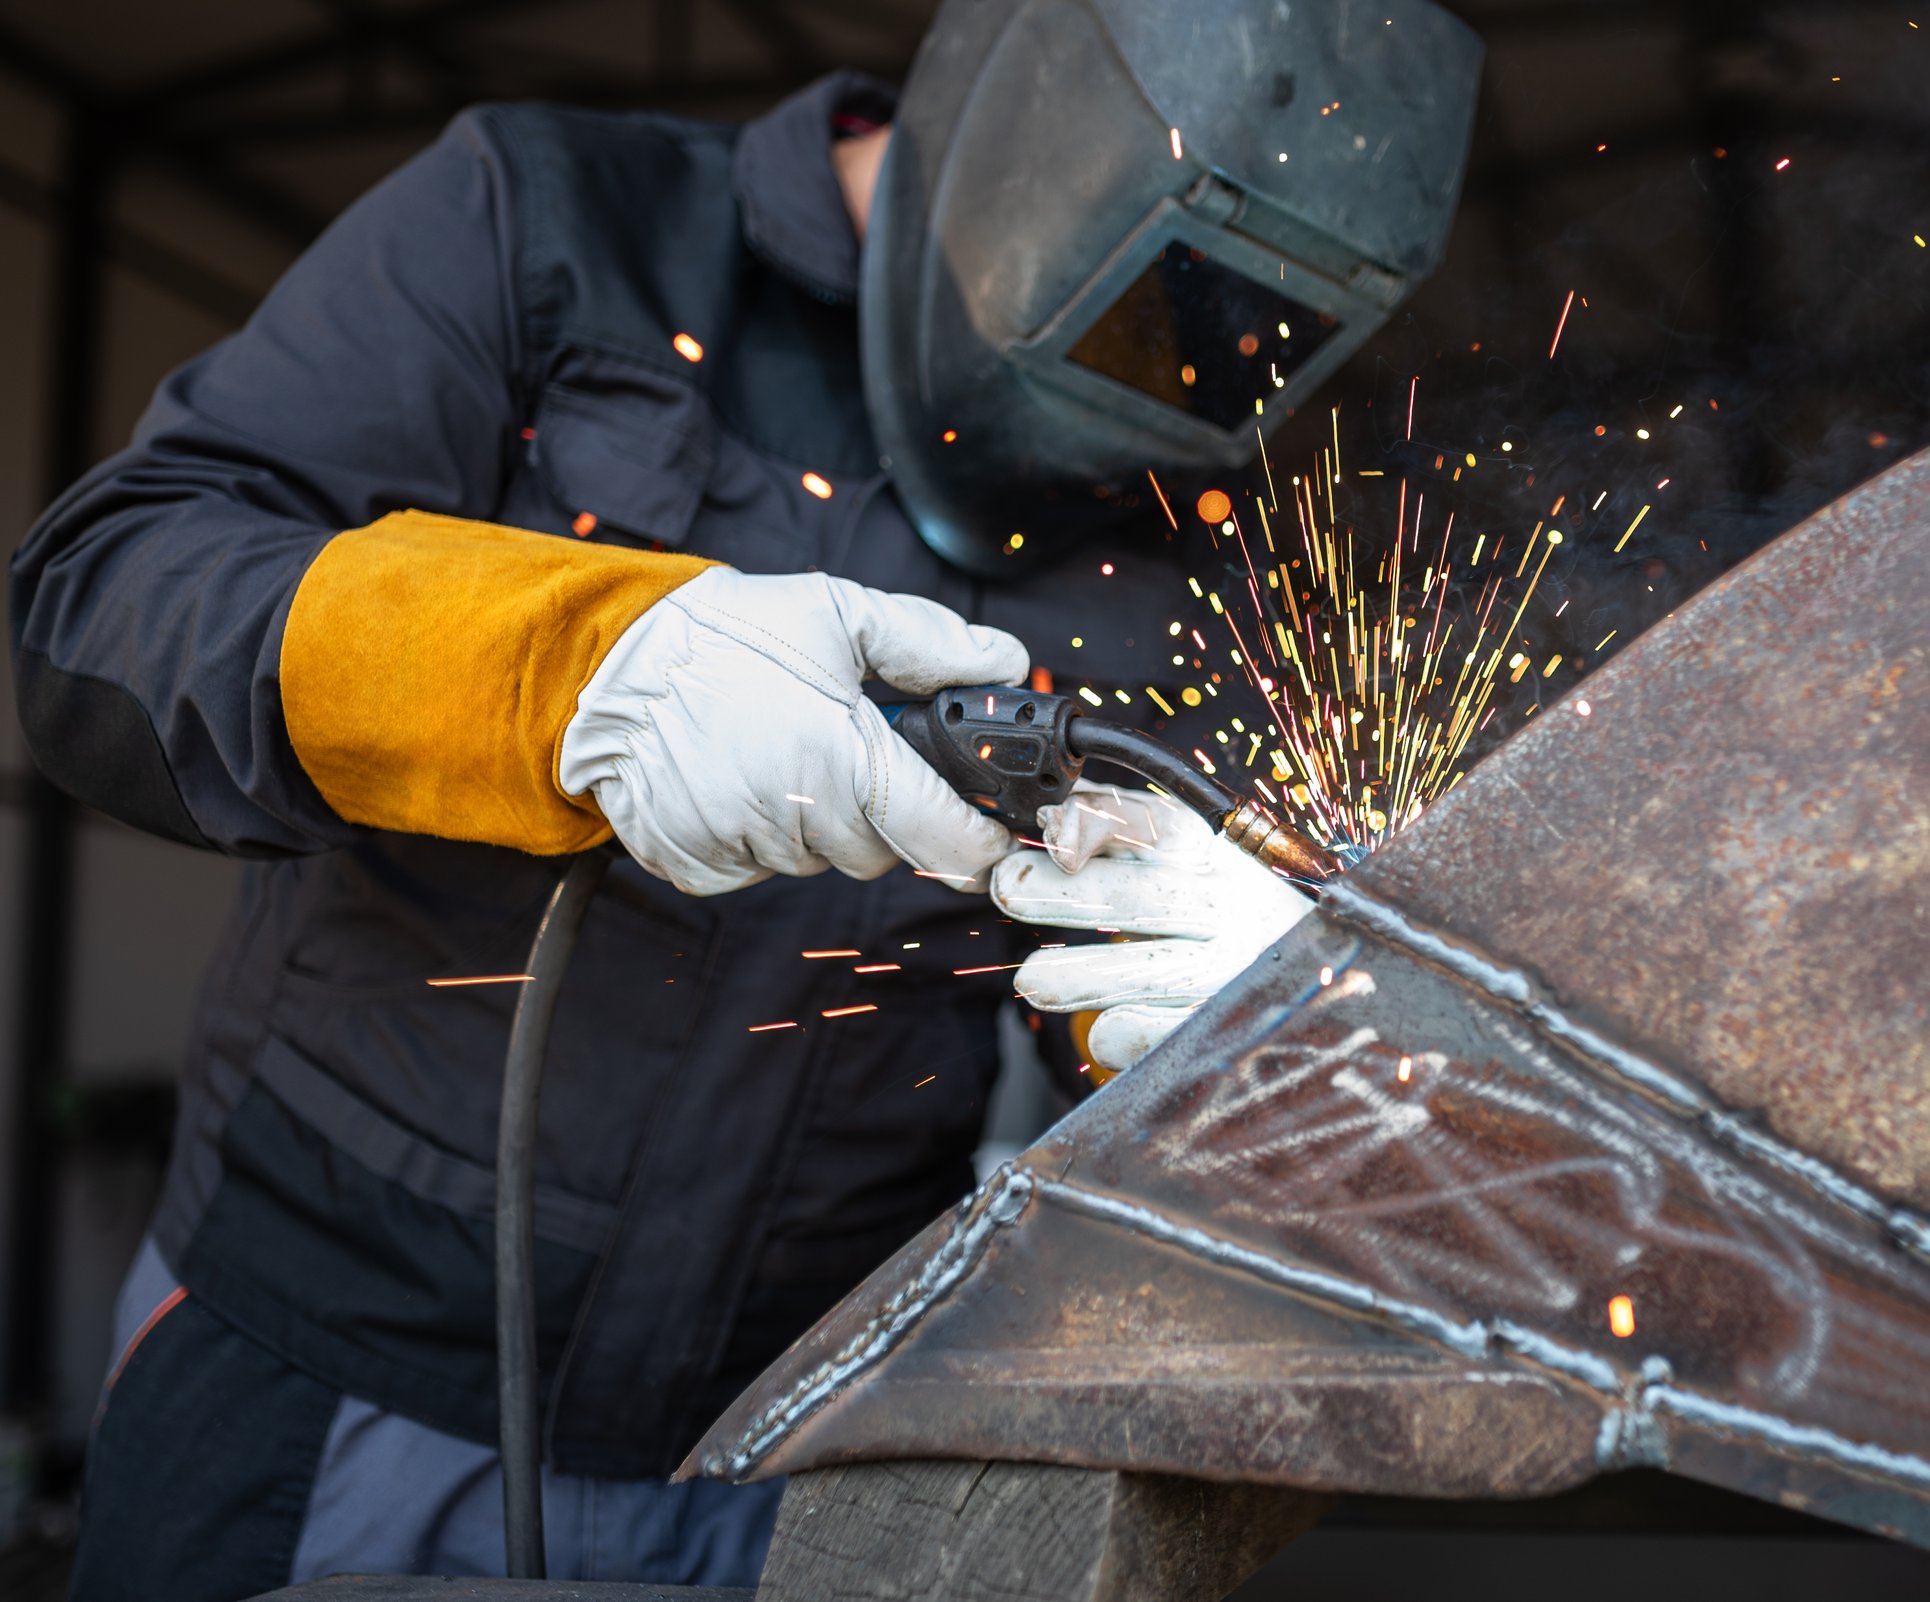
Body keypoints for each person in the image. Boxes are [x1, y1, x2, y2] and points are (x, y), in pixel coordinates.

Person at [11, 2, 1477, 1596]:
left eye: (1239, 337)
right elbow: (106, 602)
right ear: (1031, 127)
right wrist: (566, 669)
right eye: (1151, 302)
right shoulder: (551, 217)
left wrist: (1196, 1033)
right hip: (323, 1389)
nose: (1177, 369)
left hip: (794, 1455)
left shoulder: (1192, 510)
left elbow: (1076, 1007)